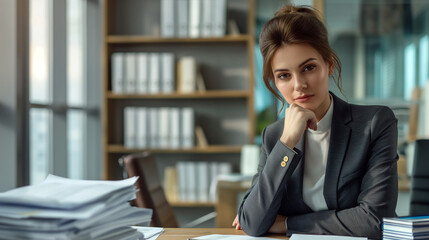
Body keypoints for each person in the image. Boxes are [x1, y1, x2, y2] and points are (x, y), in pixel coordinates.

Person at [233, 5, 398, 240]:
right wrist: (287, 142)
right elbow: (252, 222)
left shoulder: (374, 124)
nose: (299, 84)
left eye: (308, 68)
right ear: (275, 82)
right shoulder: (275, 136)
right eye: (284, 75)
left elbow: (375, 220)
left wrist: (287, 224)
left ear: (329, 64)